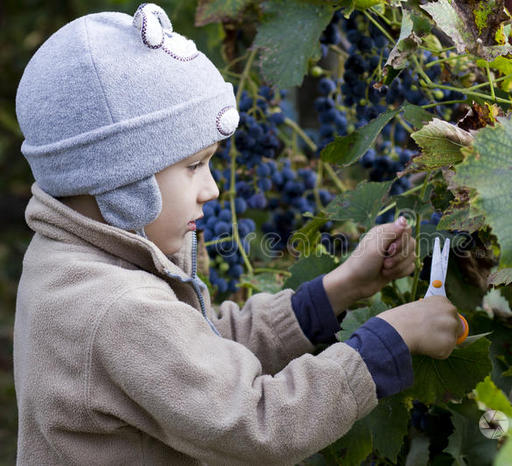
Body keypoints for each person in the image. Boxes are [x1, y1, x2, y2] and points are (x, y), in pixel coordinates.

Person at [13, 4, 464, 464]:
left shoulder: (74, 264)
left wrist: (341, 288)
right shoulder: (116, 308)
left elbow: (200, 349)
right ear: (121, 181)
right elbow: (259, 423)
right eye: (193, 166)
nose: (212, 189)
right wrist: (387, 341)